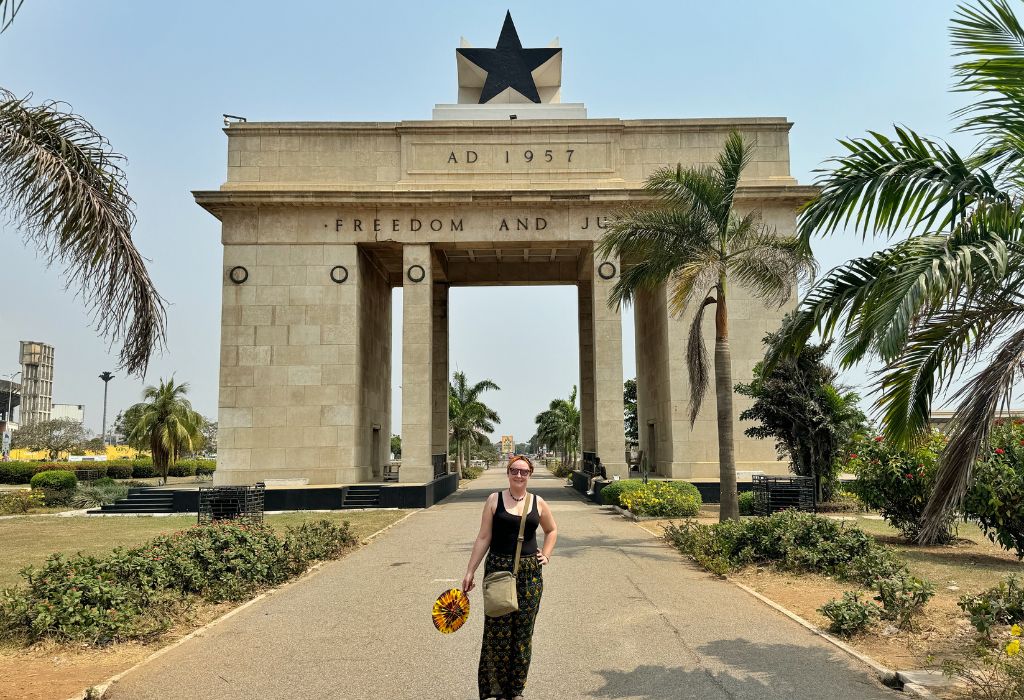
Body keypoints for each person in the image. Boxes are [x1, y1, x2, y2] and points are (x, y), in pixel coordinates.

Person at [463, 454, 558, 700]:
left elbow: (552, 530)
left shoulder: (538, 502)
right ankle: (495, 689)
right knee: (496, 631)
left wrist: (546, 555)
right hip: (498, 572)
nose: (519, 475)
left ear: (529, 475)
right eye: (514, 471)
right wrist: (470, 570)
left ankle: (516, 690)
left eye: (523, 472)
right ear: (508, 473)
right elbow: (484, 537)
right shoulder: (494, 500)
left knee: (523, 634)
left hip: (530, 576)